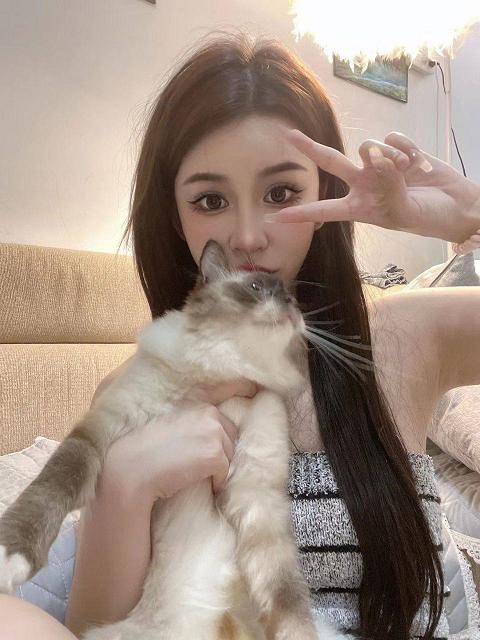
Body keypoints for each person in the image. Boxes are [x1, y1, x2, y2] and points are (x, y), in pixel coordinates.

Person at [2, 30, 480, 640]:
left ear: (325, 193)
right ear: (175, 215)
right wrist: (121, 488)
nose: (248, 236)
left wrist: (470, 216)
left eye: (281, 193)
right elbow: (97, 629)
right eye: (210, 200)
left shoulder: (404, 334)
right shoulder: (135, 389)